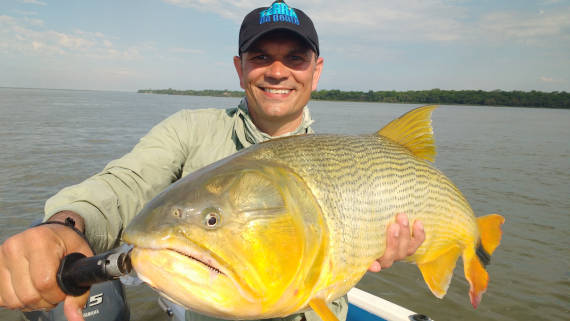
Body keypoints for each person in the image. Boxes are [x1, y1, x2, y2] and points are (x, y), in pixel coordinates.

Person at [0, 1, 425, 321]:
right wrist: (64, 222)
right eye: (261, 57)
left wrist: (399, 248)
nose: (277, 71)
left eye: (295, 58)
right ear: (240, 69)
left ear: (316, 72)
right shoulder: (189, 130)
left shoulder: (349, 163)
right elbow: (125, 182)